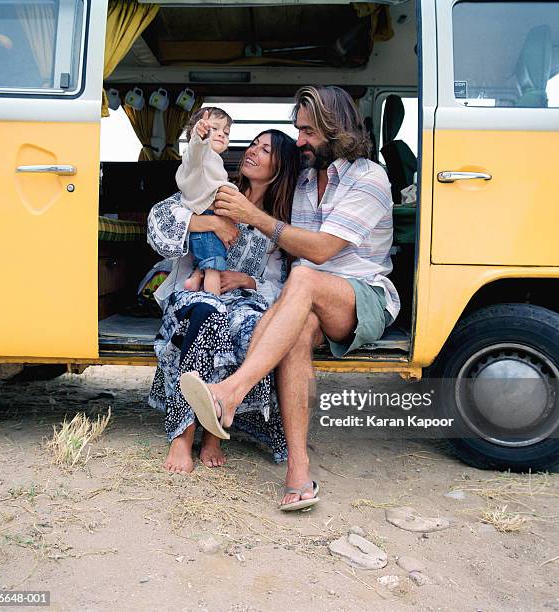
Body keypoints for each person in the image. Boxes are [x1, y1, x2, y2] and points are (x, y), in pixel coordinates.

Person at [179, 86, 400, 510]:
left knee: (303, 278)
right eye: (298, 129)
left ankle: (230, 393)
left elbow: (319, 251)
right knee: (297, 330)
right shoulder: (301, 181)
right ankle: (298, 471)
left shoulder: (369, 178)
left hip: (364, 294)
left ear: (337, 130)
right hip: (310, 297)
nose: (299, 140)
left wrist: (253, 217)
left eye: (308, 131)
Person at [147, 129, 300, 473]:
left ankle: (217, 429)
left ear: (280, 166)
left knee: (252, 327)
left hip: (246, 299)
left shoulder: (277, 221)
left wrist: (248, 280)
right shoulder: (214, 189)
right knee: (208, 313)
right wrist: (211, 221)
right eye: (253, 145)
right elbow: (158, 224)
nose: (252, 152)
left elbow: (278, 283)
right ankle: (183, 433)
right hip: (197, 292)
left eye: (265, 150)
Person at [176, 107, 237, 295]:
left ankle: (194, 281)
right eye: (215, 128)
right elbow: (196, 148)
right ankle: (213, 302)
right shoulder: (198, 155)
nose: (221, 134)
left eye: (225, 132)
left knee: (205, 262)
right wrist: (199, 135)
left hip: (207, 221)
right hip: (208, 220)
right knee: (214, 269)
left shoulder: (212, 159)